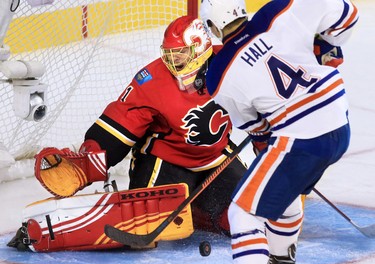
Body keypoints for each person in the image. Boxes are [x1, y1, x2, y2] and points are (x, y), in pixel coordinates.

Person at [8, 16, 248, 252]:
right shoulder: (153, 80)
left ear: (200, 49)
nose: (173, 61)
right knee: (144, 225)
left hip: (215, 158)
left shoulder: (232, 64)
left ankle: (199, 210)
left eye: (181, 54)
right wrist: (88, 160)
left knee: (248, 216)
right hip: (166, 160)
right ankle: (56, 231)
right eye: (170, 54)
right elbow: (122, 121)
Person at [200, 0, 358, 264]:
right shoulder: (278, 11)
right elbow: (348, 16)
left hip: (303, 137)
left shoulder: (218, 73)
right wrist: (327, 43)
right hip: (338, 122)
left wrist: (268, 130)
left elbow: (256, 127)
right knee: (285, 189)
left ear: (213, 27)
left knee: (242, 212)